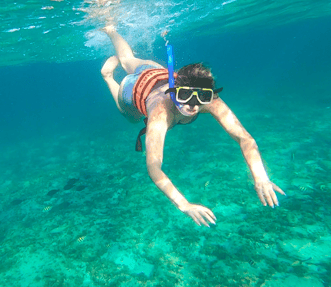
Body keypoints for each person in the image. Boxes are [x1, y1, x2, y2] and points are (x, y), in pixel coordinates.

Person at [100, 25, 285, 227]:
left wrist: (261, 177)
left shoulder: (210, 99)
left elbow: (245, 138)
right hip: (132, 90)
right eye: (184, 96)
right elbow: (153, 167)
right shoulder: (160, 114)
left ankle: (111, 29)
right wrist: (184, 204)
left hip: (154, 73)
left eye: (202, 97)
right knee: (132, 118)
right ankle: (108, 76)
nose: (193, 105)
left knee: (128, 60)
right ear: (174, 90)